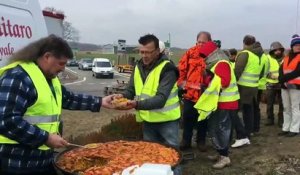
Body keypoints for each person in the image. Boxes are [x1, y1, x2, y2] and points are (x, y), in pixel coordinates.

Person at [0, 35, 114, 175]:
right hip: (17, 162)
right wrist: (46, 138)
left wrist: (100, 101)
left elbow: (68, 98)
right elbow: (6, 120)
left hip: (43, 159)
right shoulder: (18, 77)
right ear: (47, 56)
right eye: (61, 63)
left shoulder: (49, 78)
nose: (64, 69)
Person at [194, 41, 239, 169]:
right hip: (219, 102)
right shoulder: (217, 64)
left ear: (212, 54)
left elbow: (224, 82)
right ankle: (220, 153)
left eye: (205, 55)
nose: (204, 58)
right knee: (216, 128)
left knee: (222, 129)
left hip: (226, 102)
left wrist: (208, 81)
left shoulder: (221, 64)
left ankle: (225, 157)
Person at [177, 31, 211, 151]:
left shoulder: (212, 55)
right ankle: (186, 141)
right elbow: (181, 68)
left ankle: (201, 141)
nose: (201, 44)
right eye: (199, 41)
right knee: (188, 118)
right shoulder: (190, 53)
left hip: (205, 94)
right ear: (196, 41)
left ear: (209, 43)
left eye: (204, 42)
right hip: (190, 94)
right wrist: (181, 83)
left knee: (203, 119)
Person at [231, 35, 263, 148]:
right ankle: (248, 133)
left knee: (233, 111)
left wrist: (231, 83)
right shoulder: (256, 56)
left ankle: (242, 135)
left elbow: (237, 70)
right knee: (249, 111)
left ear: (244, 43)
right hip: (253, 87)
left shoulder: (244, 54)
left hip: (243, 87)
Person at [278, 34, 300, 137]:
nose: (298, 46)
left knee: (295, 107)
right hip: (285, 86)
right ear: (292, 46)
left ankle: (294, 129)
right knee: (286, 107)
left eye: (299, 45)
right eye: (296, 45)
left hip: (296, 87)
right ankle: (286, 127)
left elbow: (297, 72)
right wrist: (282, 80)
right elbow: (281, 69)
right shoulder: (286, 57)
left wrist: (283, 79)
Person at [265, 42, 284, 126]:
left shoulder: (285, 58)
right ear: (272, 50)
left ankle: (281, 120)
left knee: (282, 104)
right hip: (270, 84)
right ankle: (270, 119)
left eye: (279, 50)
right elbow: (264, 70)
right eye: (276, 50)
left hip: (281, 83)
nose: (278, 51)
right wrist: (270, 75)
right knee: (269, 103)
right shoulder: (267, 58)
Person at [253, 42, 269, 133]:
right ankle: (256, 127)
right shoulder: (265, 57)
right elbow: (266, 71)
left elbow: (260, 72)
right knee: (256, 107)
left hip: (254, 85)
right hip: (261, 85)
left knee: (253, 107)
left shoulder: (255, 57)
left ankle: (254, 127)